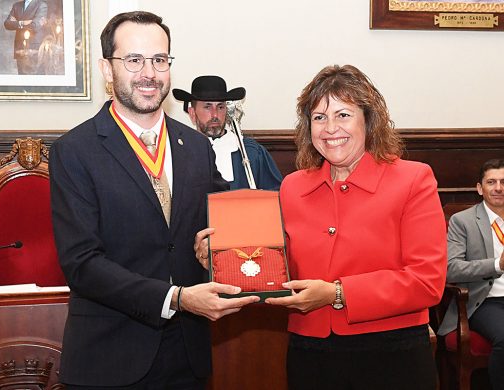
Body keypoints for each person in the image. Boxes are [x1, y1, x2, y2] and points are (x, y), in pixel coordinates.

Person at [49, 11, 259, 389]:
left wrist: (216, 247)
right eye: (134, 60)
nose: (149, 73)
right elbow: (81, 264)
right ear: (106, 69)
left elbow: (217, 225)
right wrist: (175, 298)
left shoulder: (195, 146)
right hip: (109, 360)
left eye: (159, 60)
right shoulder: (74, 151)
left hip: (188, 358)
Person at [242, 64, 444, 389]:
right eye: (319, 117)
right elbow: (274, 265)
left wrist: (337, 294)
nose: (330, 128)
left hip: (393, 353)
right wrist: (220, 253)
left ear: (368, 119)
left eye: (343, 115)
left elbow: (427, 282)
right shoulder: (292, 186)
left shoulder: (413, 179)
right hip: (310, 353)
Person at [438, 158, 504, 390]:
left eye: (503, 182)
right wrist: (497, 264)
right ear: (480, 188)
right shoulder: (463, 221)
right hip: (484, 301)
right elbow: (451, 269)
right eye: (491, 182)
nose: (498, 187)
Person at [173, 75, 283, 190]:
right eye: (207, 107)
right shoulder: (180, 153)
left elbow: (275, 196)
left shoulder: (251, 152)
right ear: (192, 113)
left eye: (220, 107)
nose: (215, 115)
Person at [4, 0, 47, 74]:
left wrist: (16, 22)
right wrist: (23, 22)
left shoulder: (41, 5)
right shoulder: (16, 6)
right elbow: (7, 24)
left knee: (36, 79)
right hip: (20, 47)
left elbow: (35, 26)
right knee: (22, 77)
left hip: (35, 49)